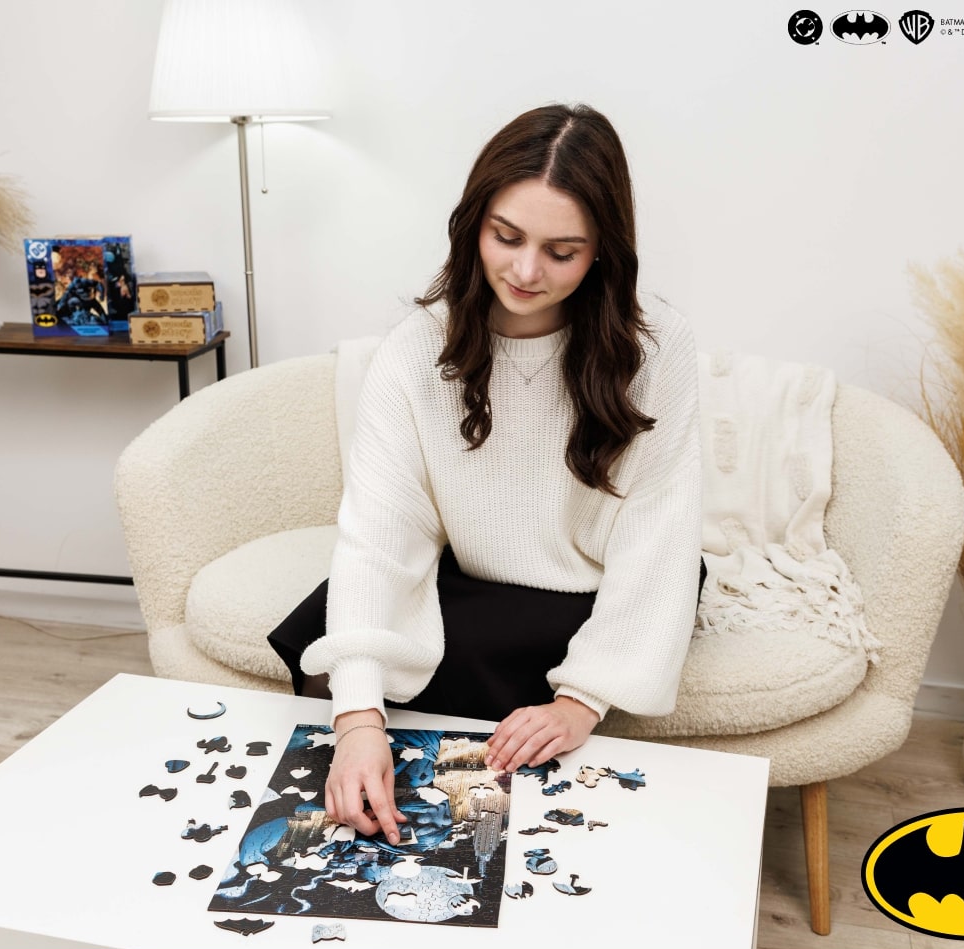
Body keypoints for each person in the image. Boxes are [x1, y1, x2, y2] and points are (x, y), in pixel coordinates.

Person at [268, 103, 703, 847]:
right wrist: (357, 721)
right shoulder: (413, 351)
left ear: (603, 250)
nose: (527, 271)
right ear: (474, 224)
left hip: (592, 584)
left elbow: (658, 535)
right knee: (335, 627)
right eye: (507, 238)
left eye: (562, 251)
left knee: (463, 663)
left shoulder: (657, 351)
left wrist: (581, 701)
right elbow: (380, 533)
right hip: (467, 573)